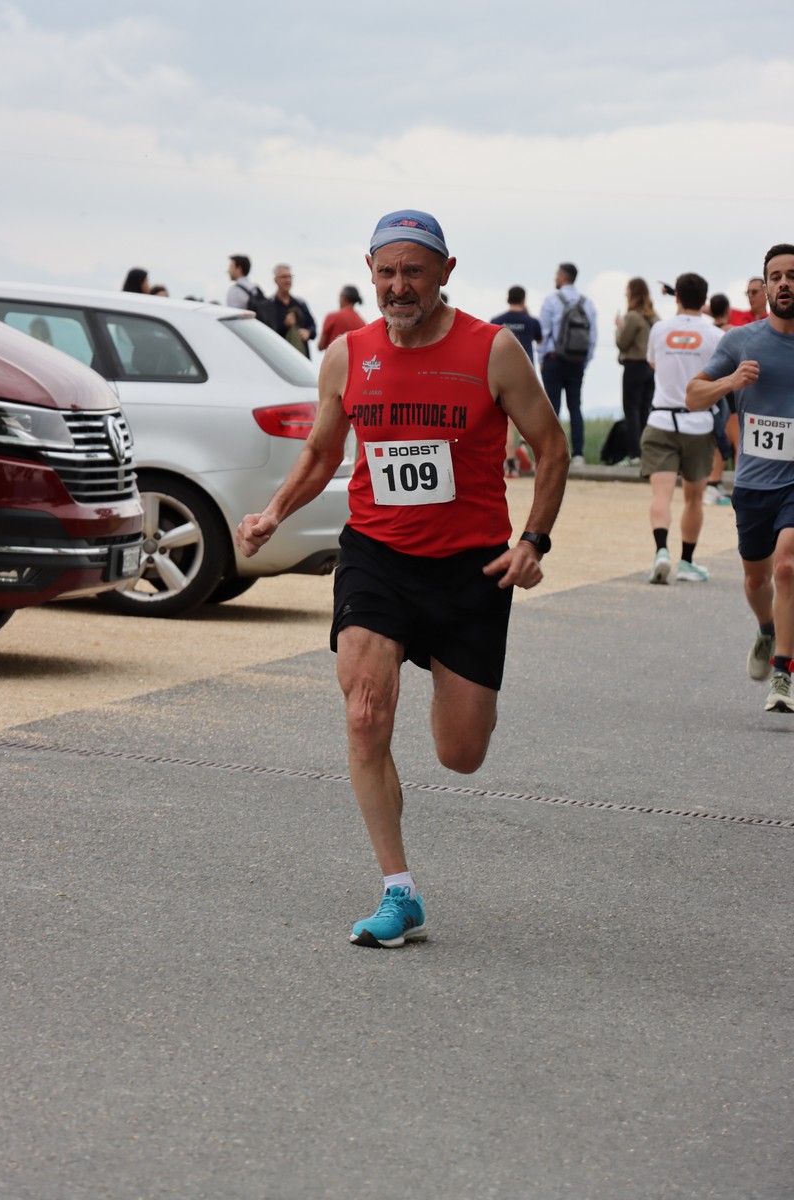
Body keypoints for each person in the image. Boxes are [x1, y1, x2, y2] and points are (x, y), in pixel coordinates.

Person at [236, 208, 569, 948]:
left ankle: (450, 690)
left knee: (461, 752)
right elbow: (322, 452)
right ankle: (399, 891)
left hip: (471, 567)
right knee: (364, 715)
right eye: (385, 272)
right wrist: (273, 512)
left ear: (445, 271)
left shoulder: (493, 349)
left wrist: (533, 540)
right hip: (377, 558)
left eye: (413, 271)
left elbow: (551, 446)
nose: (398, 286)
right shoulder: (347, 354)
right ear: (369, 271)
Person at [686, 243, 794, 714]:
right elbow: (693, 396)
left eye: (792, 275)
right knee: (756, 580)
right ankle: (767, 628)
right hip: (753, 482)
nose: (785, 283)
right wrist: (730, 383)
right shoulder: (740, 342)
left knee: (787, 566)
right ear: (765, 287)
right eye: (776, 276)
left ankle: (783, 673)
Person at [642, 272, 723, 585]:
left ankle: (661, 551)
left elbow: (653, 364)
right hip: (698, 423)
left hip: (661, 419)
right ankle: (687, 561)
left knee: (661, 494)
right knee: (693, 498)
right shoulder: (714, 334)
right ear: (704, 300)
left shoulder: (659, 329)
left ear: (676, 297)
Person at [538, 263, 598, 466]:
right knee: (575, 407)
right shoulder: (587, 303)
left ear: (563, 277)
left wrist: (542, 359)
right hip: (577, 362)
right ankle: (578, 454)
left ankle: (552, 452)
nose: (555, 277)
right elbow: (592, 337)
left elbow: (544, 333)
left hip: (554, 359)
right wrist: (585, 361)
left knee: (552, 408)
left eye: (557, 274)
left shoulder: (551, 301)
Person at [491, 287, 543, 476]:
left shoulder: (497, 321)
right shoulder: (532, 322)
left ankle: (511, 466)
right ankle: (524, 445)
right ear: (523, 299)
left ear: (508, 298)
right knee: (527, 417)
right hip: (525, 373)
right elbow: (541, 341)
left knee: (507, 423)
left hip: (502, 373)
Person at [614, 278, 659, 465]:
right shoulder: (654, 317)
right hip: (650, 367)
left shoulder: (632, 317)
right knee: (645, 410)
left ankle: (634, 454)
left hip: (634, 366)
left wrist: (619, 327)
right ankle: (647, 453)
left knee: (631, 411)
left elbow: (622, 343)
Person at [703, 293, 738, 505]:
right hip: (730, 392)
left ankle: (712, 482)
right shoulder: (731, 331)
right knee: (738, 441)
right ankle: (734, 483)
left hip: (712, 389)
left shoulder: (707, 332)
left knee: (718, 439)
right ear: (728, 310)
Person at [270, 264, 317, 358]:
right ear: (275, 280)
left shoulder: (300, 304)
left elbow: (313, 326)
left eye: (290, 277)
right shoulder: (269, 306)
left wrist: (308, 332)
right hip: (279, 356)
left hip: (301, 358)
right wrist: (284, 325)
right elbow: (267, 332)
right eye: (284, 277)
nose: (288, 280)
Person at [317, 285, 366, 351]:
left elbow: (320, 346)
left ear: (344, 297)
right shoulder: (362, 323)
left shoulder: (332, 317)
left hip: (333, 356)